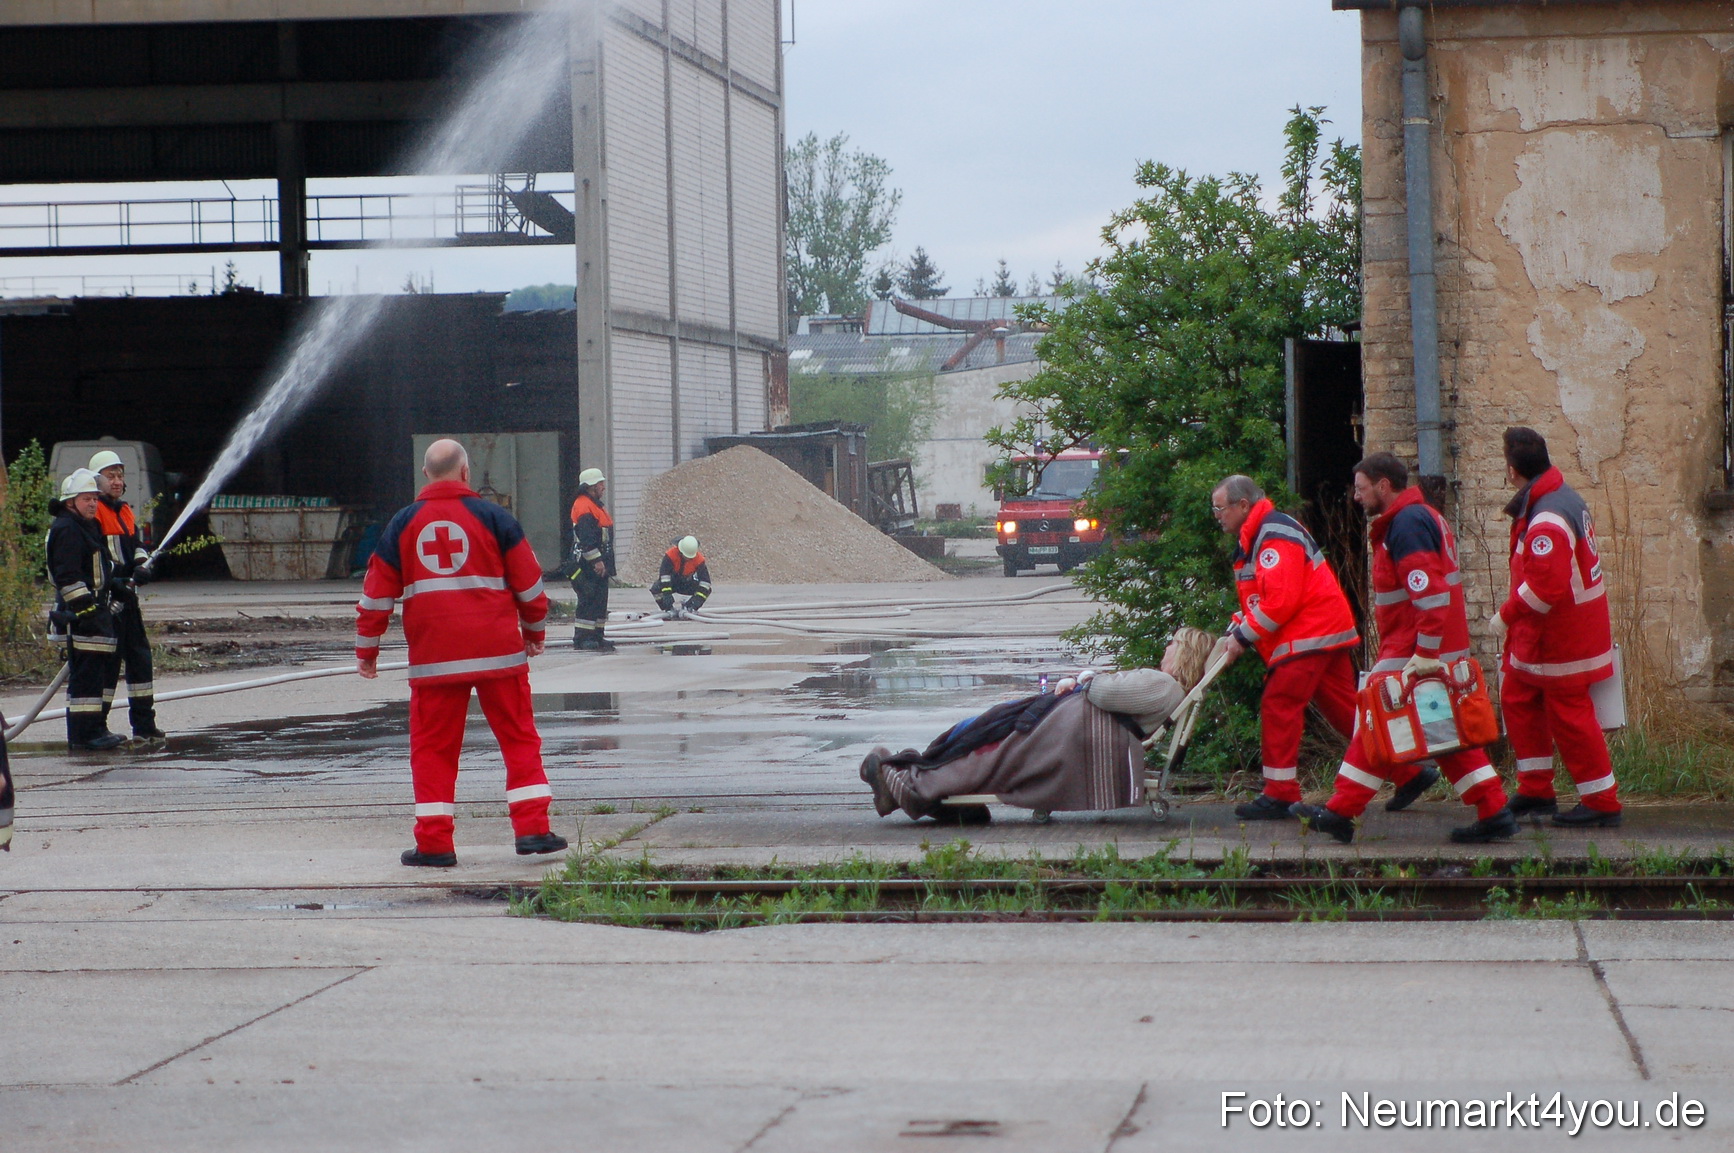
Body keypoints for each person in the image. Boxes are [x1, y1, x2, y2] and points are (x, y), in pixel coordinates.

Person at [356, 439, 567, 866]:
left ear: (426, 475)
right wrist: (534, 631)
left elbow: (376, 594)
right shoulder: (494, 517)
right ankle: (533, 832)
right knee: (518, 738)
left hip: (435, 661)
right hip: (498, 655)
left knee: (433, 750)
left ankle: (434, 844)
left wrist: (368, 649)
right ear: (467, 473)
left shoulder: (403, 523)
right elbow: (530, 585)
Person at [1290, 453, 1517, 844]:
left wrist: (1425, 655)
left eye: (1361, 489)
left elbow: (1428, 595)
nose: (1356, 497)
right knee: (1441, 732)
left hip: (1415, 647)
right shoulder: (1416, 519)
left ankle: (1341, 810)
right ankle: (1494, 809)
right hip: (1424, 644)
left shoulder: (1407, 524)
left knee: (1377, 718)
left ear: (1383, 486)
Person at [860, 627, 1216, 820]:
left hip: (1060, 725)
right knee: (981, 738)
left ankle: (901, 782)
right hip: (1066, 722)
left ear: (1183, 653)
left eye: (1172, 643)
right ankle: (915, 786)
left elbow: (1104, 692)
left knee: (985, 744)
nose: (1166, 648)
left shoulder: (1162, 684)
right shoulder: (1165, 688)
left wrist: (1083, 678)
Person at [1491, 427, 1622, 827]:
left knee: (1569, 712)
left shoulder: (1546, 516)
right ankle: (1535, 789)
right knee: (1517, 695)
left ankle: (1601, 801)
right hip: (1557, 630)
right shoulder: (1559, 497)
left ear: (1513, 470)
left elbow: (1546, 589)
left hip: (1560, 634)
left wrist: (1506, 615)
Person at [1210, 475, 1360, 820]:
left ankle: (1280, 793)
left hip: (1308, 633)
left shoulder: (1273, 536)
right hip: (1323, 630)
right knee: (1345, 711)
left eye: (1220, 508)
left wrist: (1240, 638)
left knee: (1279, 704)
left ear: (1242, 505)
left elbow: (1280, 602)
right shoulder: (1261, 536)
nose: (1217, 515)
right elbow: (1258, 602)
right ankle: (1407, 771)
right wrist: (1236, 630)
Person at [47, 469, 125, 750]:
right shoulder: (67, 528)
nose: (93, 503)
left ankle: (96, 729)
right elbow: (67, 576)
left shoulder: (84, 526)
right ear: (70, 502)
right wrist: (86, 609)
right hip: (81, 616)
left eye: (94, 498)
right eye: (86, 499)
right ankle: (84, 736)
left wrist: (115, 585)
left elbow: (96, 569)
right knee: (86, 678)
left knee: (97, 676)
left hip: (94, 613)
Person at [89, 449, 164, 743]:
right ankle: (98, 726)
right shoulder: (94, 514)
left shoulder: (125, 510)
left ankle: (145, 726)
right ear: (97, 481)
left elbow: (136, 545)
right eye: (111, 476)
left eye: (120, 476)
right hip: (108, 601)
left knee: (140, 660)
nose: (117, 481)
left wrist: (142, 565)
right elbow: (96, 557)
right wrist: (116, 581)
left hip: (127, 599)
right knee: (108, 666)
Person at [569, 467, 615, 652]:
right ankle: (583, 638)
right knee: (588, 600)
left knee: (599, 601)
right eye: (600, 484)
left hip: (599, 563)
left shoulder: (594, 504)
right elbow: (588, 539)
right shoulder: (584, 506)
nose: (603, 487)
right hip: (588, 565)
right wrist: (597, 561)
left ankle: (596, 635)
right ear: (590, 487)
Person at [653, 535, 713, 619]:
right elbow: (664, 576)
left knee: (706, 590)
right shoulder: (670, 555)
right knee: (656, 588)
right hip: (672, 582)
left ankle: (690, 608)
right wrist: (667, 594)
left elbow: (705, 582)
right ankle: (667, 609)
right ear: (681, 551)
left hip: (686, 583)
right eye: (686, 556)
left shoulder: (699, 560)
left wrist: (696, 601)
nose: (688, 558)